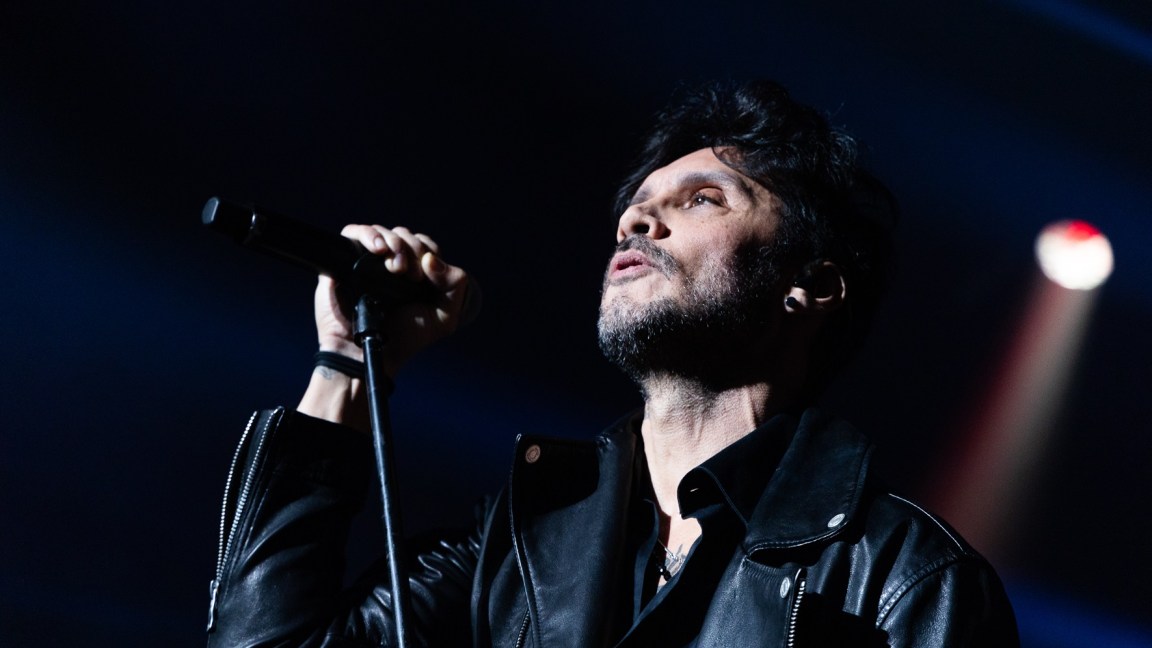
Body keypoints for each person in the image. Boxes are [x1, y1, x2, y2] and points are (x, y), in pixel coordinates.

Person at [205, 79, 1019, 646]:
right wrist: (349, 364)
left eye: (702, 199)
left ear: (811, 286)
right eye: (636, 209)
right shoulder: (522, 543)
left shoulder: (905, 578)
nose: (638, 222)